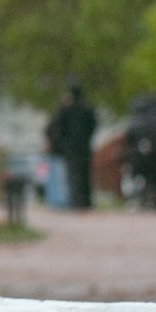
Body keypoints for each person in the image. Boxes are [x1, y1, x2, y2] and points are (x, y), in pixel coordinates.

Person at [45, 77, 98, 212]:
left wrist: (61, 142)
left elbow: (56, 127)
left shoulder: (65, 109)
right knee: (85, 174)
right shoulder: (87, 108)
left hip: (70, 148)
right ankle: (86, 202)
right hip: (85, 146)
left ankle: (76, 201)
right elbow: (94, 125)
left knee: (73, 174)